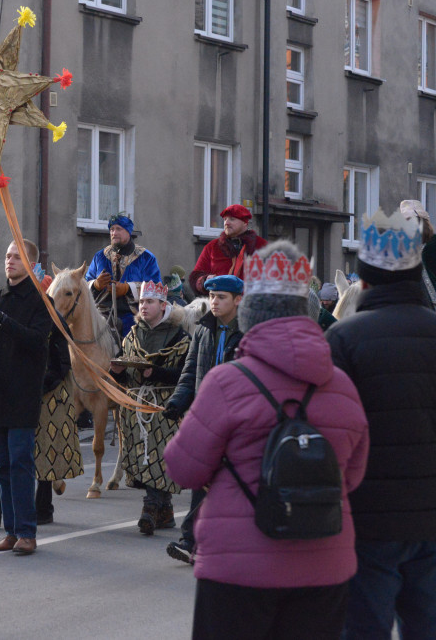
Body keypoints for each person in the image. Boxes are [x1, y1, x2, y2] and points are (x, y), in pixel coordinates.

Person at [165, 240, 370, 639]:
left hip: (237, 571)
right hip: (325, 565)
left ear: (251, 313)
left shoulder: (228, 382)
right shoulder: (343, 387)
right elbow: (353, 476)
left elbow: (182, 468)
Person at [325, 209, 436, 639]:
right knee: (425, 629)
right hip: (434, 523)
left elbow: (328, 440)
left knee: (363, 629)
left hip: (365, 524)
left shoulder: (342, 341)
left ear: (362, 281)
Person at [0, 239, 52, 555]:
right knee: (2, 465)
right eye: (7, 256)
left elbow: (37, 342)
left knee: (20, 461)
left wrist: (4, 320)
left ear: (31, 264)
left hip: (23, 393)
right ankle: (10, 530)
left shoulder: (40, 301)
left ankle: (27, 532)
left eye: (17, 257)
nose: (10, 261)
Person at [0, 314, 76, 528]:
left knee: (45, 447)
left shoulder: (51, 317)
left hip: (48, 392)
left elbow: (62, 359)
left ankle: (42, 507)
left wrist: (40, 385)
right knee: (13, 452)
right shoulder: (11, 311)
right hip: (17, 392)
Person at [164, 274, 244, 564]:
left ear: (238, 300)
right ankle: (191, 542)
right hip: (206, 417)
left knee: (232, 482)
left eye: (221, 297)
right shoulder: (202, 330)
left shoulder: (248, 332)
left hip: (237, 421)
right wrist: (177, 402)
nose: (214, 302)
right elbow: (189, 372)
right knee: (202, 478)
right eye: (212, 296)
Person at [110, 281, 191, 536]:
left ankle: (150, 509)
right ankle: (165, 512)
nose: (143, 306)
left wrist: (158, 372)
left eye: (150, 302)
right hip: (137, 407)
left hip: (166, 405)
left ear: (163, 306)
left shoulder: (180, 336)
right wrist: (117, 373)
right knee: (144, 457)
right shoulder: (132, 335)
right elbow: (126, 380)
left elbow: (185, 374)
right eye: (142, 302)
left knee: (160, 457)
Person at [85, 213, 162, 336]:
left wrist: (128, 288)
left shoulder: (146, 257)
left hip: (134, 315)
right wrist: (96, 285)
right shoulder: (100, 256)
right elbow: (85, 282)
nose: (114, 233)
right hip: (101, 313)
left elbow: (156, 288)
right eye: (111, 229)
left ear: (128, 231)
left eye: (118, 229)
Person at [188, 205, 267, 295]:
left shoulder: (262, 246)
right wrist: (205, 280)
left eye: (232, 219)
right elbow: (195, 277)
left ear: (245, 223)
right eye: (225, 219)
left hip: (250, 305)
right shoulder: (212, 247)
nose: (226, 223)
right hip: (219, 304)